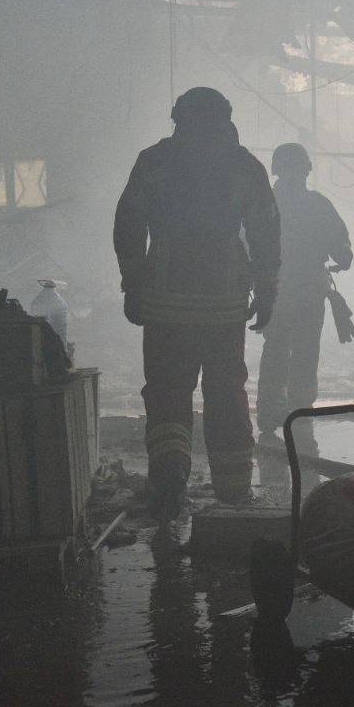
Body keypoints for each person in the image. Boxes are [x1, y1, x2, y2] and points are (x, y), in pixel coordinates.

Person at [114, 87, 280, 518]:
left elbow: (128, 224)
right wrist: (266, 290)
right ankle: (234, 492)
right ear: (226, 120)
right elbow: (265, 232)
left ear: (177, 119)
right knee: (225, 391)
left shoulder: (153, 162)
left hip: (165, 301)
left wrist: (133, 284)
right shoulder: (243, 165)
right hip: (224, 304)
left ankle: (169, 483)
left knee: (167, 391)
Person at [256, 143, 353, 437]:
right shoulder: (318, 205)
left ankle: (270, 413)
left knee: (276, 348)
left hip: (275, 290)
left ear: (276, 170)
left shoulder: (264, 204)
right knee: (305, 351)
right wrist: (342, 257)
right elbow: (342, 250)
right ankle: (299, 414)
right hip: (308, 291)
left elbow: (247, 244)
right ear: (306, 170)